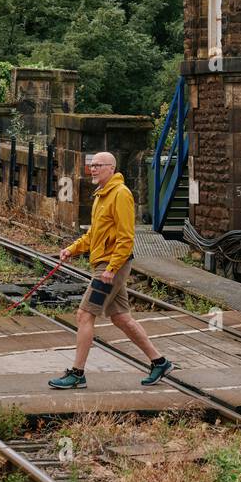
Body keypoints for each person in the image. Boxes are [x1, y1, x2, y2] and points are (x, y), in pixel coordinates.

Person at [48, 152, 174, 389]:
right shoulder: (101, 196)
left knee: (84, 315)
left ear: (111, 168)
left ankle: (77, 373)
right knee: (121, 318)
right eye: (91, 166)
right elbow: (94, 234)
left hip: (110, 267)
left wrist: (112, 269)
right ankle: (160, 362)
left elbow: (127, 237)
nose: (93, 169)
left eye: (98, 165)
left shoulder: (121, 194)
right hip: (105, 264)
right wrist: (72, 249)